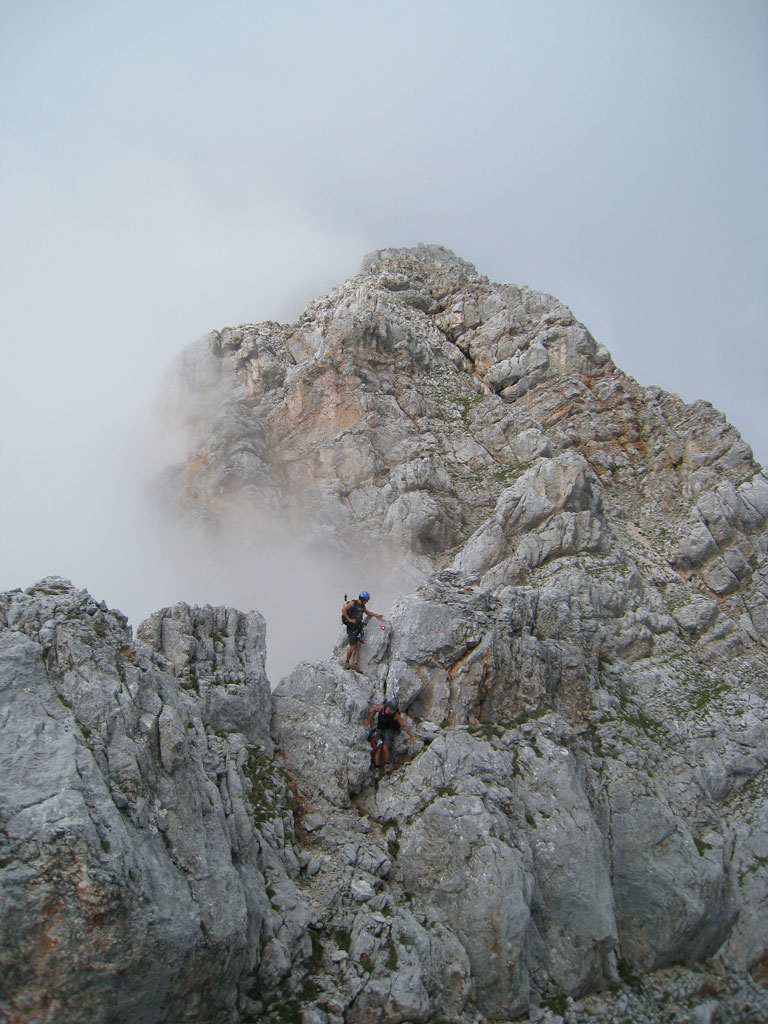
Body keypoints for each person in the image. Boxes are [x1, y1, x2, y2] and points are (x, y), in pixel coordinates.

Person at [364, 697, 415, 770]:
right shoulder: (381, 708)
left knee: (385, 747)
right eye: (391, 709)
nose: (392, 711)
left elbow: (404, 726)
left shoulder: (396, 716)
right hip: (380, 730)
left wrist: (411, 737)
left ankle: (386, 765)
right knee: (378, 750)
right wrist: (369, 720)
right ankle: (377, 768)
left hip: (389, 731)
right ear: (388, 706)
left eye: (394, 710)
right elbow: (374, 711)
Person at [342, 591, 384, 672]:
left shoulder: (362, 606)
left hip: (357, 626)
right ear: (363, 599)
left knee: (357, 645)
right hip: (351, 627)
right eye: (366, 600)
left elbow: (368, 613)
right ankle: (346, 662)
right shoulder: (353, 603)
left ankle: (355, 664)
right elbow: (343, 610)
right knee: (352, 646)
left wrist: (377, 615)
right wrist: (349, 619)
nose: (367, 602)